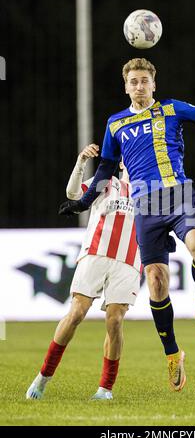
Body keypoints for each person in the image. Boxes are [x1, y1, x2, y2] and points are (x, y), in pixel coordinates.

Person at [59, 58, 195, 392]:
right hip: (145, 206)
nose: (139, 86)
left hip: (179, 195)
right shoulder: (115, 124)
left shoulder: (171, 108)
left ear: (154, 84)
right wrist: (82, 203)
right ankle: (173, 355)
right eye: (133, 81)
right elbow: (106, 170)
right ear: (126, 87)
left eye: (144, 80)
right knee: (156, 283)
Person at [26, 144, 141, 400]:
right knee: (76, 313)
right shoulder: (107, 182)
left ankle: (105, 389)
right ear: (122, 163)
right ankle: (43, 378)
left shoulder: (152, 192)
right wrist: (80, 163)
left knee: (115, 321)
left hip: (129, 261)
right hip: (96, 253)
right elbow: (73, 193)